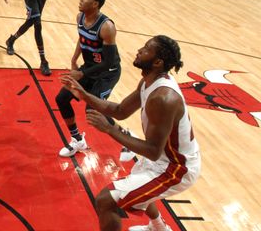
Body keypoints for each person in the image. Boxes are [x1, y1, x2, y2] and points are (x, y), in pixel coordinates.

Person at [60, 36, 200, 231]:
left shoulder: (163, 98)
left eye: (146, 49)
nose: (140, 50)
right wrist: (83, 94)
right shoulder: (149, 82)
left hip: (177, 168)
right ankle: (159, 227)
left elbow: (152, 150)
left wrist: (109, 129)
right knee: (139, 182)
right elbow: (120, 111)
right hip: (164, 158)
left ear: (158, 62)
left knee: (106, 201)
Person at [55, 0, 134, 161]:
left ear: (95, 4)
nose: (81, 0)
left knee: (93, 109)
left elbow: (107, 63)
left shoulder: (106, 27)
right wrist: (74, 59)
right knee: (61, 99)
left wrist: (81, 74)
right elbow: (82, 38)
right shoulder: (80, 17)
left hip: (108, 73)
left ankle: (127, 137)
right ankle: (77, 140)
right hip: (90, 68)